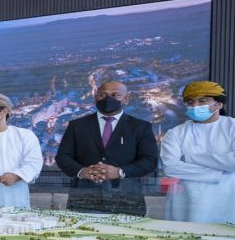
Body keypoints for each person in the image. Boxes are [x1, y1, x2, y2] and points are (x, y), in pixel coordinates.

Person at [161, 80, 235, 226]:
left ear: (219, 104)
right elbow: (170, 167)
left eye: (202, 101)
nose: (195, 106)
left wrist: (188, 158)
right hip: (188, 201)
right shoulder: (175, 133)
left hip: (233, 200)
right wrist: (222, 172)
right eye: (190, 102)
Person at [55, 81, 159, 216]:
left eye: (115, 95)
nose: (108, 99)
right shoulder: (77, 125)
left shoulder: (141, 127)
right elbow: (63, 157)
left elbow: (150, 161)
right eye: (103, 95)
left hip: (127, 200)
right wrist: (82, 171)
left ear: (126, 99)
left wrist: (120, 172)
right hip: (84, 199)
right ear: (95, 98)